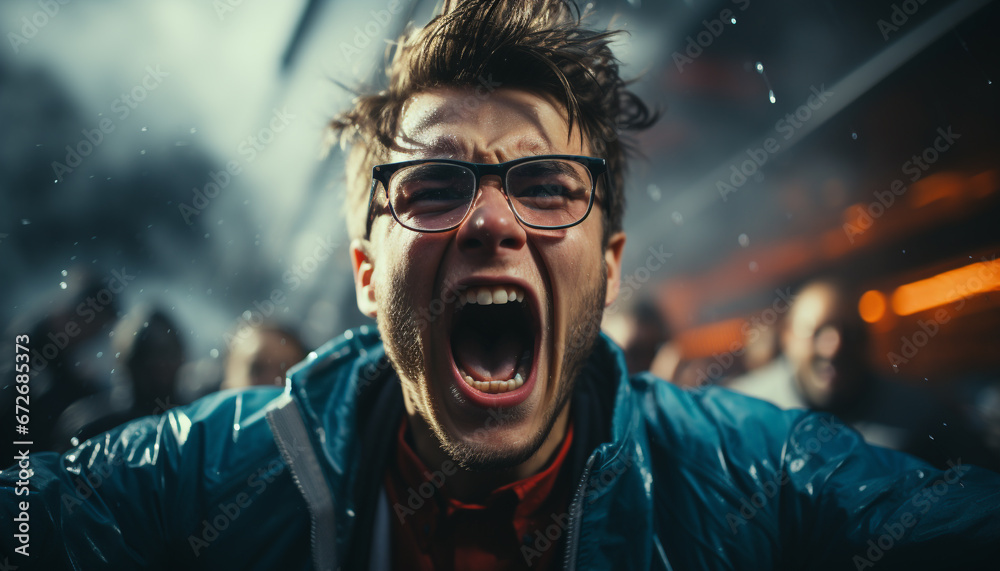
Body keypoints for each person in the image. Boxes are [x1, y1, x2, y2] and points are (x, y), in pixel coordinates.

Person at [2, 1, 999, 569]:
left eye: (544, 184)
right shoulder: (218, 474)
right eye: (433, 185)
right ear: (363, 271)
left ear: (607, 267)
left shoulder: (742, 480)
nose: (489, 219)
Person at [728, 279, 999, 470]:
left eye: (850, 333)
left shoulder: (918, 416)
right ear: (787, 336)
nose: (834, 347)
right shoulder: (742, 411)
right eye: (818, 331)